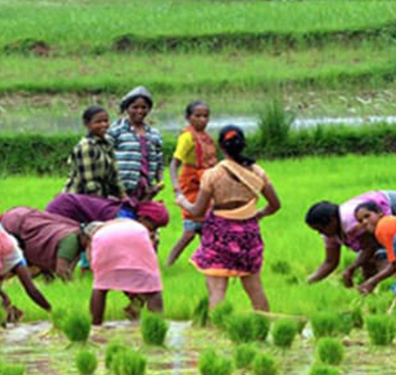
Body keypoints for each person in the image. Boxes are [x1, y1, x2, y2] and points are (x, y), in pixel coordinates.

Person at [176, 126, 281, 311]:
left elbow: (197, 210)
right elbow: (275, 205)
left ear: (221, 148)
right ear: (244, 145)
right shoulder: (258, 172)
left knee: (217, 290)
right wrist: (258, 214)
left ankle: (218, 329)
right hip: (248, 233)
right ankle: (265, 326)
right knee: (255, 287)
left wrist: (182, 201)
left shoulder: (213, 174)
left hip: (219, 234)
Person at [305, 190, 396, 286]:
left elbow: (371, 247)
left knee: (384, 258)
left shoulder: (351, 220)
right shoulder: (330, 233)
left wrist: (352, 268)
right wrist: (307, 283)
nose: (320, 233)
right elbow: (330, 262)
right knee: (366, 266)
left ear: (332, 221)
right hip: (378, 225)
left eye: (320, 228)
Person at [167, 101, 218, 267]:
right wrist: (177, 190)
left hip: (206, 184)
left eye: (205, 116)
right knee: (190, 231)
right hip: (191, 185)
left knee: (208, 230)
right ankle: (169, 263)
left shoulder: (207, 138)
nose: (202, 120)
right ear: (188, 118)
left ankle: (205, 262)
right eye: (197, 116)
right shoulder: (187, 137)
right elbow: (174, 163)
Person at [85, 219, 163, 325]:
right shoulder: (128, 223)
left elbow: (92, 262)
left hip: (104, 239)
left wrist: (99, 274)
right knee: (153, 289)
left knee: (100, 286)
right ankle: (157, 325)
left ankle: (95, 324)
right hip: (137, 233)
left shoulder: (98, 233)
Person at [0, 207, 88, 280]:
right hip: (17, 222)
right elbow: (62, 272)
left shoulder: (71, 236)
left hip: (19, 218)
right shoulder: (71, 240)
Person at [109, 86, 164, 202]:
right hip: (120, 188)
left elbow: (159, 161)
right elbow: (105, 157)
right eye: (135, 107)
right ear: (127, 108)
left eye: (144, 107)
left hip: (144, 189)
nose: (139, 111)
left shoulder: (154, 134)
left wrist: (159, 182)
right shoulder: (116, 130)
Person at [63, 106, 127, 200]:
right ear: (87, 124)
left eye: (106, 121)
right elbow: (90, 184)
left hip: (101, 197)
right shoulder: (86, 146)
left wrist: (123, 196)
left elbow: (115, 175)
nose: (103, 125)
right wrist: (99, 205)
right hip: (79, 198)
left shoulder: (107, 143)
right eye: (98, 122)